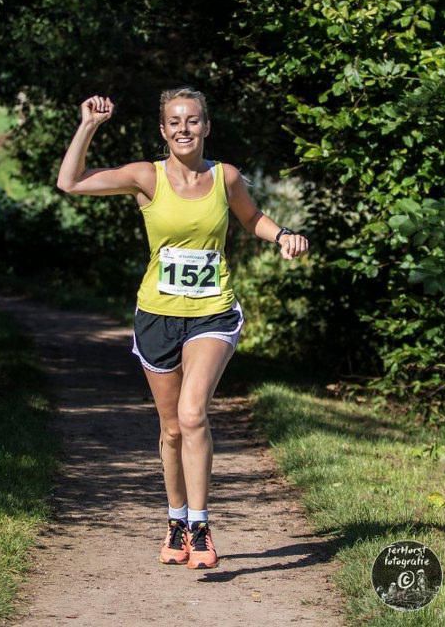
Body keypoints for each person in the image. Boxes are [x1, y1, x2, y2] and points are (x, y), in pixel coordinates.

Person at [56, 87, 309, 569]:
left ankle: (200, 525)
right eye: (174, 122)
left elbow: (251, 217)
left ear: (206, 127)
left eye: (192, 121)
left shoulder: (225, 177)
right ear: (163, 130)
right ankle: (175, 521)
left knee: (193, 415)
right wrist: (88, 124)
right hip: (157, 316)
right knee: (171, 429)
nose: (183, 129)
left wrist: (283, 236)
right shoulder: (145, 178)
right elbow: (70, 182)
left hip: (212, 312)